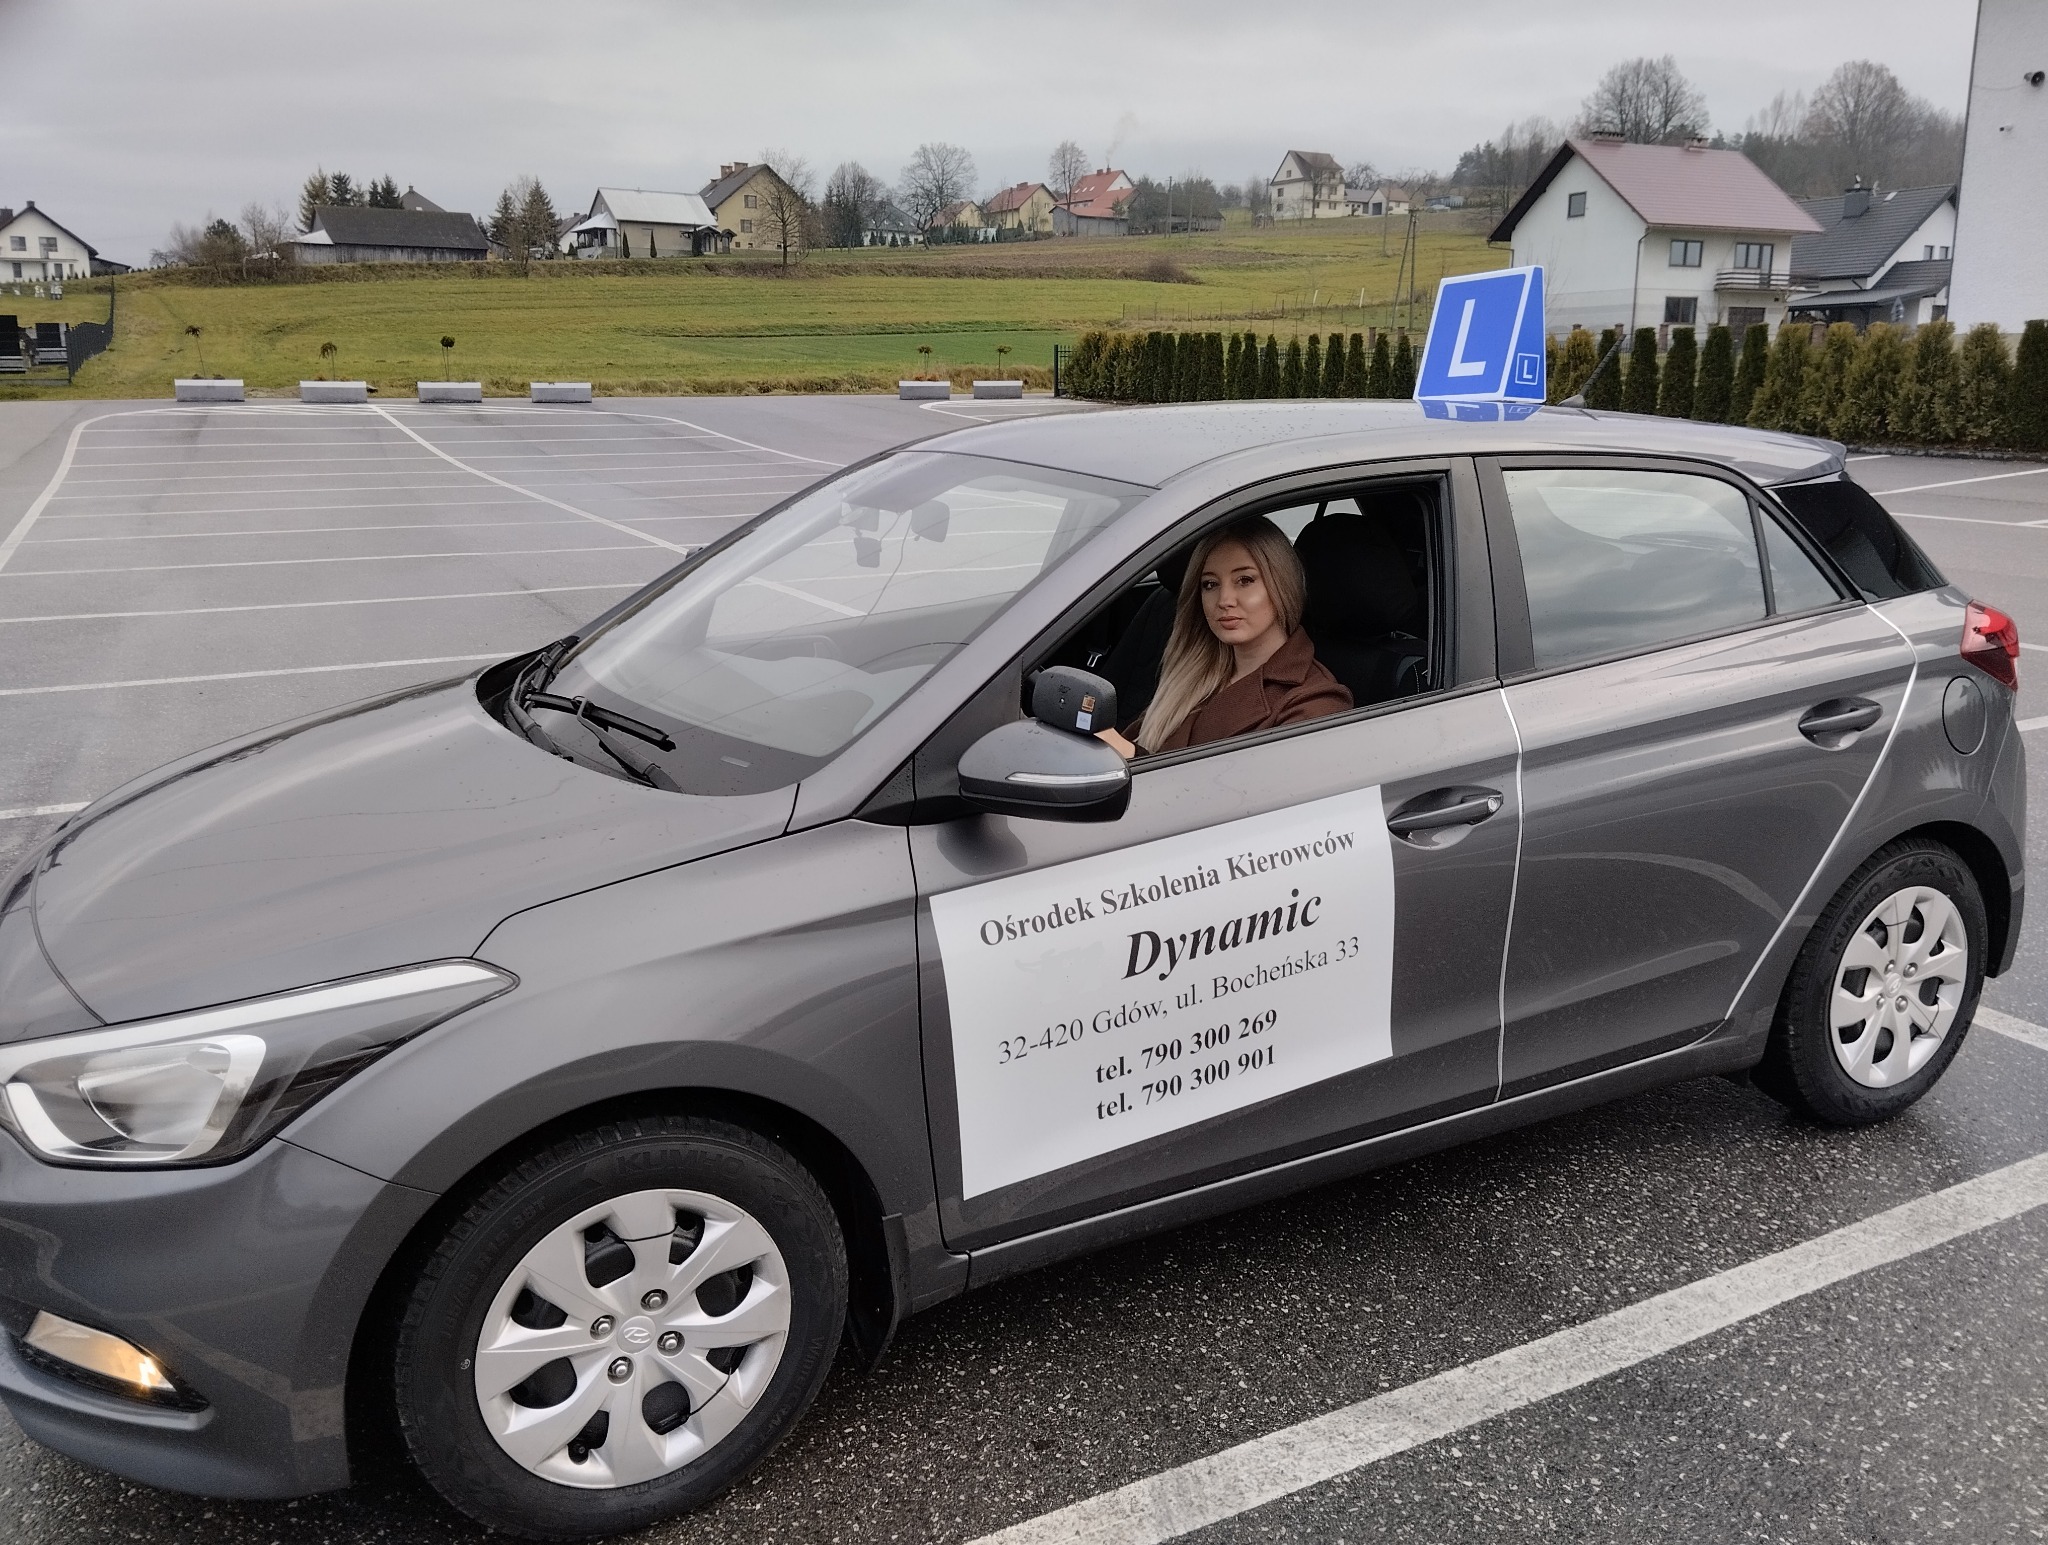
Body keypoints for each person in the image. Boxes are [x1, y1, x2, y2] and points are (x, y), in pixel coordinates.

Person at [1099, 515, 1351, 758]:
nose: (1224, 600)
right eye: (1210, 584)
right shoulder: (1194, 672)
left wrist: (1131, 757)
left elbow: (1249, 796)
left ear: (1283, 585)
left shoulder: (1316, 703)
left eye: (1245, 580)